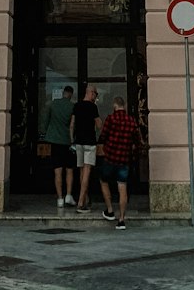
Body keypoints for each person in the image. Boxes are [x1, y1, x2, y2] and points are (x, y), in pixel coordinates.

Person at [97, 95, 139, 229]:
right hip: (124, 160)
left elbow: (103, 136)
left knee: (103, 181)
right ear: (124, 106)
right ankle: (121, 220)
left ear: (114, 106)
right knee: (122, 188)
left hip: (110, 158)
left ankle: (109, 210)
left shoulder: (111, 119)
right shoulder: (131, 120)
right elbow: (137, 139)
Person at [39, 84, 76, 208]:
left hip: (54, 140)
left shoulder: (53, 104)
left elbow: (45, 120)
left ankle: (59, 198)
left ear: (63, 93)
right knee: (69, 170)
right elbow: (73, 125)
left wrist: (43, 133)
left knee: (58, 171)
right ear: (70, 94)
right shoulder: (72, 106)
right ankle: (69, 195)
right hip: (67, 141)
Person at [69, 83, 101, 211]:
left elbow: (72, 124)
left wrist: (72, 140)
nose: (96, 96)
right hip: (90, 142)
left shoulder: (76, 106)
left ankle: (86, 198)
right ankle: (81, 202)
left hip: (79, 142)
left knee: (82, 170)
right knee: (87, 171)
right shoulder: (93, 107)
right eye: (96, 94)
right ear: (91, 93)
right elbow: (99, 125)